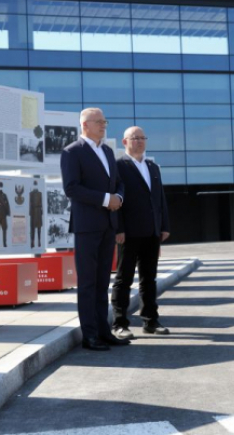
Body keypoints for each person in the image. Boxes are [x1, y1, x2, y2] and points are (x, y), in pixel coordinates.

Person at [61, 108, 128, 351]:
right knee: (88, 283)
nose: (104, 125)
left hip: (108, 224)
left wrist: (118, 197)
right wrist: (104, 199)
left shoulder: (108, 151)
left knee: (102, 283)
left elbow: (118, 182)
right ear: (85, 124)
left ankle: (104, 331)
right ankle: (89, 336)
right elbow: (72, 188)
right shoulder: (72, 152)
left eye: (105, 121)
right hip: (87, 226)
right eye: (99, 122)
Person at [111, 126, 171, 338]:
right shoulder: (118, 166)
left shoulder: (153, 167)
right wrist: (118, 228)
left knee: (149, 279)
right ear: (124, 141)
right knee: (123, 279)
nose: (139, 141)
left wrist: (164, 226)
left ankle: (150, 321)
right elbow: (115, 198)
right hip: (128, 233)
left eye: (142, 138)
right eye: (134, 138)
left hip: (151, 232)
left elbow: (160, 199)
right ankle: (120, 323)